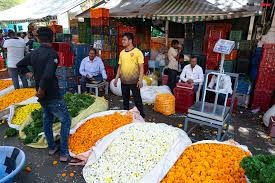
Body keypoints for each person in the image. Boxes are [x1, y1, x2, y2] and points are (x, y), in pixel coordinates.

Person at [16, 27, 74, 163]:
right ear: (52, 38)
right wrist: (41, 89)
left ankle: (52, 147)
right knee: (66, 120)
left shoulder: (34, 53)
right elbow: (48, 75)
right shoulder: (52, 54)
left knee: (47, 119)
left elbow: (20, 65)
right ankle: (64, 153)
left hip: (42, 96)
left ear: (37, 38)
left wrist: (30, 75)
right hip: (51, 94)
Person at [114, 32, 145, 118]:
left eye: (124, 39)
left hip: (134, 81)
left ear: (130, 41)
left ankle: (141, 116)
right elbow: (120, 67)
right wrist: (116, 78)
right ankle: (126, 116)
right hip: (124, 81)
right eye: (122, 39)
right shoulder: (122, 53)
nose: (122, 41)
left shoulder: (138, 52)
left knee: (137, 100)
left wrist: (140, 80)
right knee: (125, 100)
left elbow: (141, 68)